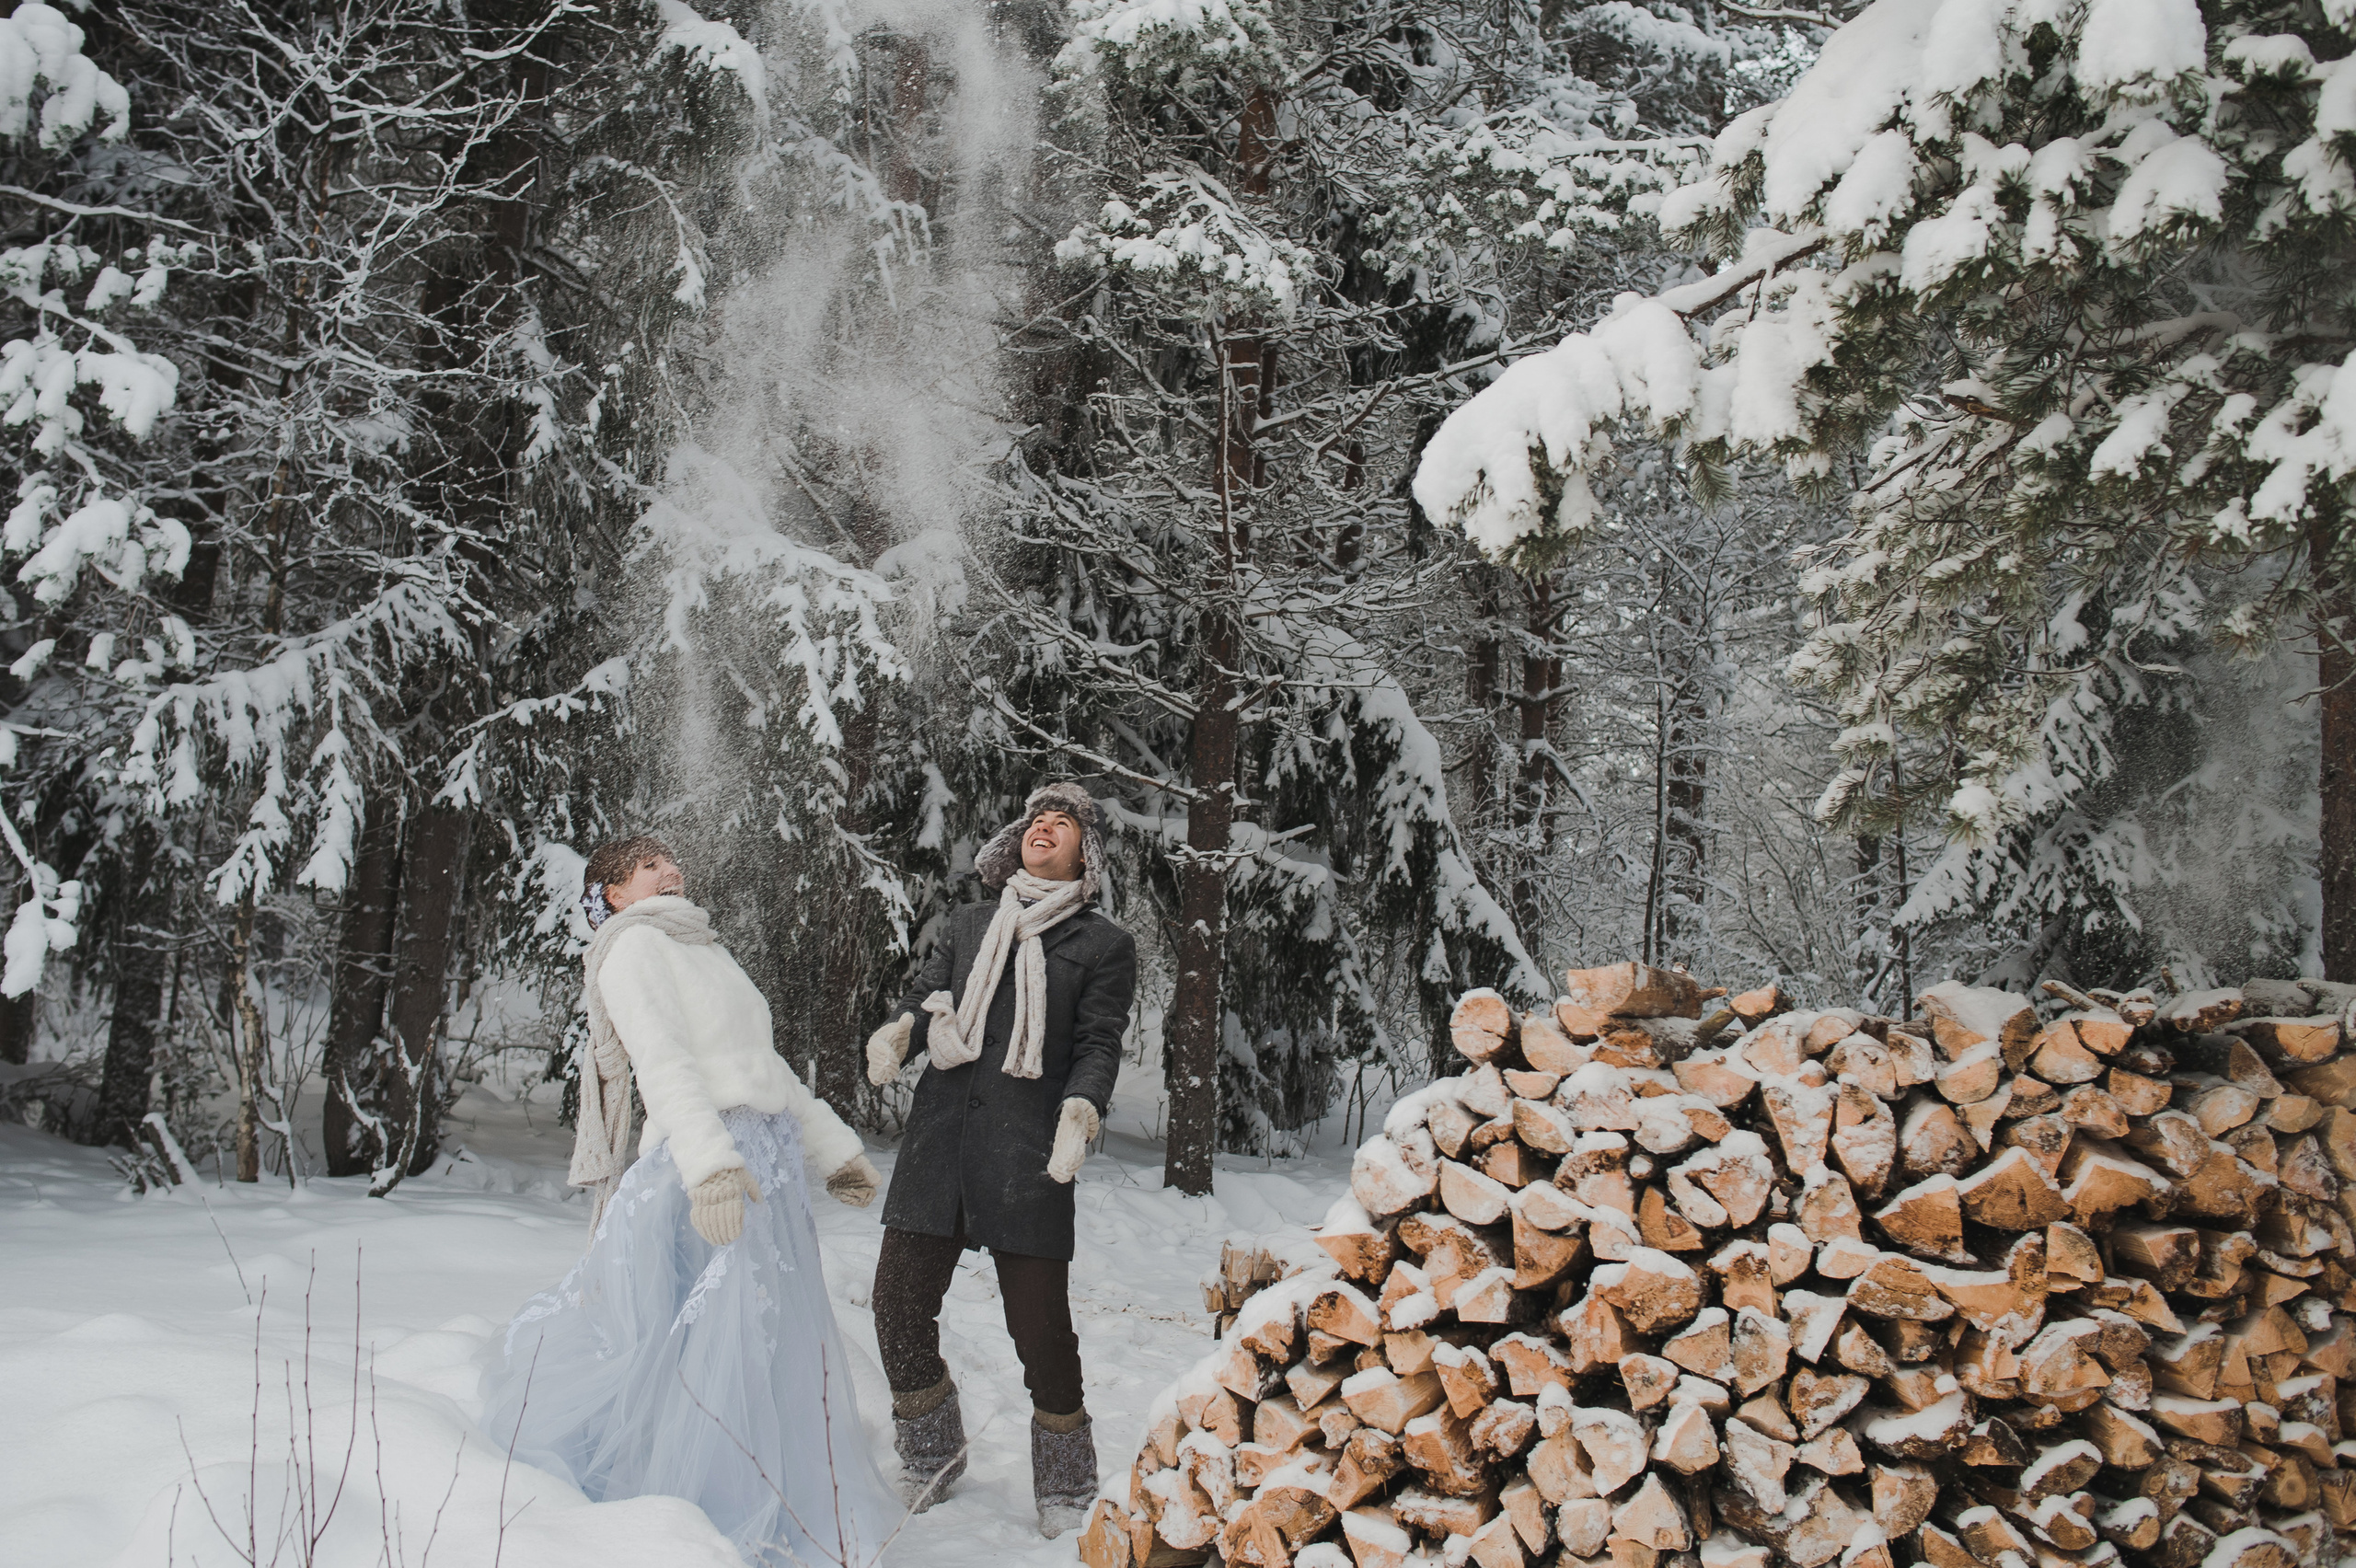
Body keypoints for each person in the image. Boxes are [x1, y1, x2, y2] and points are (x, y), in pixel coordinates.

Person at [481, 836, 901, 1567]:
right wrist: (709, 1168)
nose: (671, 870)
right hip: (708, 1164)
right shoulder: (634, 947)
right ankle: (691, 1516)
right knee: (707, 1341)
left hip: (761, 1162)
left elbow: (759, 1065)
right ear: (614, 893)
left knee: (758, 1342)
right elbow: (663, 1062)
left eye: (673, 861)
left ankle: (759, 1503)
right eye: (649, 866)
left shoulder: (701, 946)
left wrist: (832, 1148)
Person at [861, 782, 1137, 1539]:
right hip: (941, 1141)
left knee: (1040, 1330)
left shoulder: (1103, 943)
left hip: (1027, 1150)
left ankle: (1067, 1480)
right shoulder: (970, 921)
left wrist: (1084, 1106)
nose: (1044, 827)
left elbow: (1098, 1040)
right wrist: (901, 1034)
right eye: (1035, 820)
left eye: (1063, 823)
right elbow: (927, 997)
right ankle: (934, 1454)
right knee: (895, 1303)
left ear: (1088, 852)